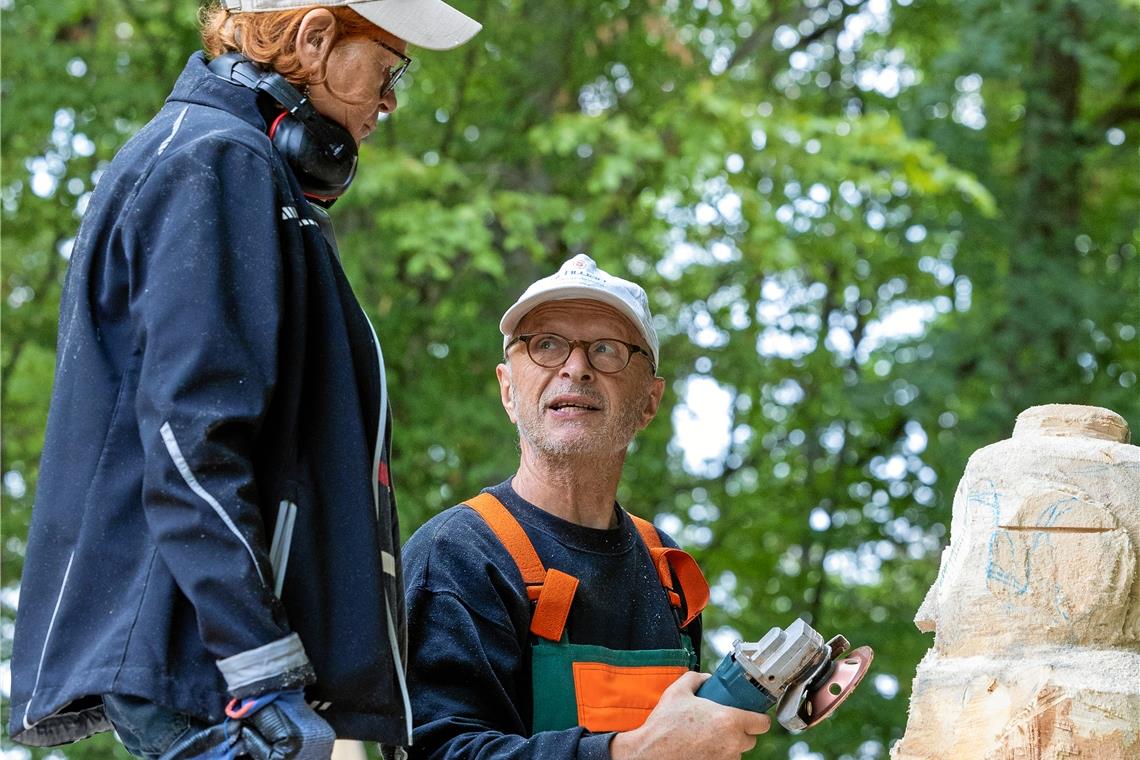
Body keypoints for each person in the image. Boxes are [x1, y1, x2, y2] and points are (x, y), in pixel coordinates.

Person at [7, 1, 480, 757]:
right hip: (222, 679)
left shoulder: (229, 162)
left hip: (222, 672)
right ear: (316, 38)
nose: (390, 99)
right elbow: (191, 438)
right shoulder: (215, 160)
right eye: (388, 68)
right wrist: (265, 673)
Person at [402, 254, 770, 759]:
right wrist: (633, 752)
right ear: (508, 390)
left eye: (607, 349)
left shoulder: (667, 569)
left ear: (649, 401)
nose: (576, 368)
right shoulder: (458, 556)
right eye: (546, 345)